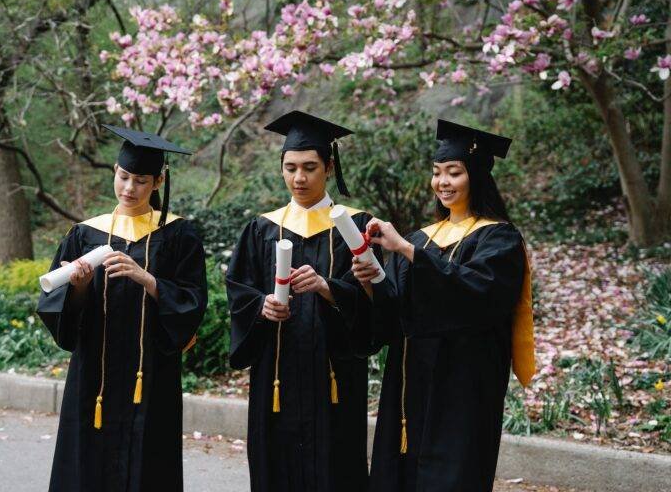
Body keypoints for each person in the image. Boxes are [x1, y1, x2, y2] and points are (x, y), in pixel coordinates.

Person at [351, 120, 535, 492]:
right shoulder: (423, 237)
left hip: (463, 384)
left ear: (477, 176)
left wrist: (405, 249)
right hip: (409, 383)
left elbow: (477, 295)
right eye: (437, 173)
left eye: (454, 172)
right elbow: (394, 313)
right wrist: (371, 281)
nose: (443, 182)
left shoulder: (498, 238)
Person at [37, 125, 208, 492]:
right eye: (124, 176)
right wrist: (79, 289)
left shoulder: (179, 235)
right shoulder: (85, 234)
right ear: (114, 172)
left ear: (159, 181)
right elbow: (56, 306)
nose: (129, 188)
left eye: (141, 180)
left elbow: (193, 302)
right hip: (93, 377)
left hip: (151, 377)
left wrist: (148, 280)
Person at [226, 111, 380, 492]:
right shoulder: (262, 228)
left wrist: (329, 288)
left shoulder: (356, 227)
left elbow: (378, 300)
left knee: (336, 468)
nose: (299, 178)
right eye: (290, 167)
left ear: (328, 168)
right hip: (275, 375)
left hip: (335, 377)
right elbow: (239, 290)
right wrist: (261, 307)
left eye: (310, 167)